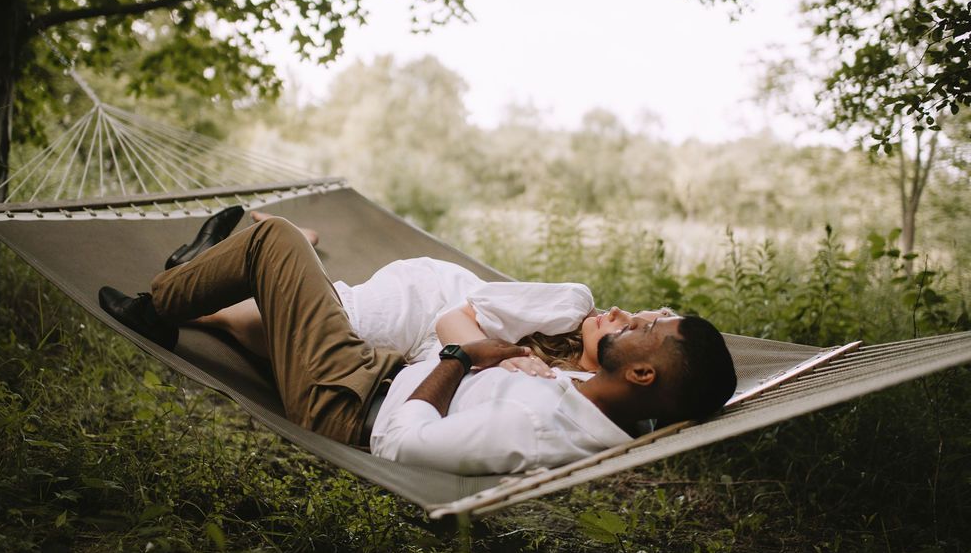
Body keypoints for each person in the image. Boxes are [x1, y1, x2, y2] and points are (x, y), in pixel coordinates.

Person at [99, 217, 737, 476]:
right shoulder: (607, 404)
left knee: (276, 240)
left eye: (647, 332)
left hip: (350, 404)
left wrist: (461, 358)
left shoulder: (542, 427)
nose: (633, 320)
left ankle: (162, 301)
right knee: (276, 291)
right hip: (380, 371)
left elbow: (398, 443)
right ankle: (200, 278)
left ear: (646, 372)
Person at [193, 210, 676, 376]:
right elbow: (459, 315)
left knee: (314, 348)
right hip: (430, 303)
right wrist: (500, 357)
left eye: (631, 325)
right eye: (630, 314)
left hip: (425, 356)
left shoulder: (590, 389)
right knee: (318, 326)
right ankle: (199, 294)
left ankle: (300, 245)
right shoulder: (574, 304)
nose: (615, 311)